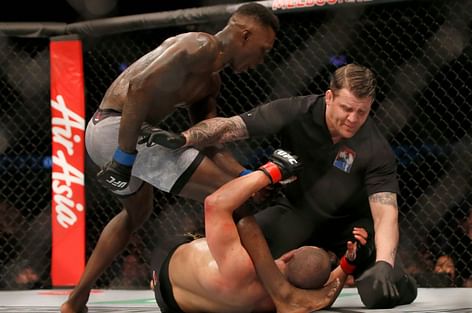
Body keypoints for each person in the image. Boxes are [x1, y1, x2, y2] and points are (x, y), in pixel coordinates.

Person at [61, 4, 279, 313]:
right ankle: (278, 290)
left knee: (136, 214)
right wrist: (124, 156)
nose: (263, 59)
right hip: (118, 130)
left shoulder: (210, 82)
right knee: (233, 198)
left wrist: (246, 176)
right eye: (264, 49)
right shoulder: (199, 45)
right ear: (245, 35)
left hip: (105, 132)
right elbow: (139, 85)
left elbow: (210, 139)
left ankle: (75, 300)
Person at [147, 63, 418, 309]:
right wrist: (183, 138)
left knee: (377, 294)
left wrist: (384, 262)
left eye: (362, 112)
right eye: (347, 108)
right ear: (329, 97)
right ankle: (172, 270)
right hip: (294, 212)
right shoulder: (296, 111)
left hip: (349, 229)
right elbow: (231, 127)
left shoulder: (375, 147)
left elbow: (385, 212)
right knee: (238, 248)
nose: (353, 119)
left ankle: (401, 282)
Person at [151, 149, 368, 313]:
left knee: (237, 211)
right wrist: (347, 265)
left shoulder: (241, 268)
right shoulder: (279, 300)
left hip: (169, 258)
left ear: (289, 254)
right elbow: (325, 295)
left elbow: (214, 204)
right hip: (171, 302)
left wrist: (272, 171)